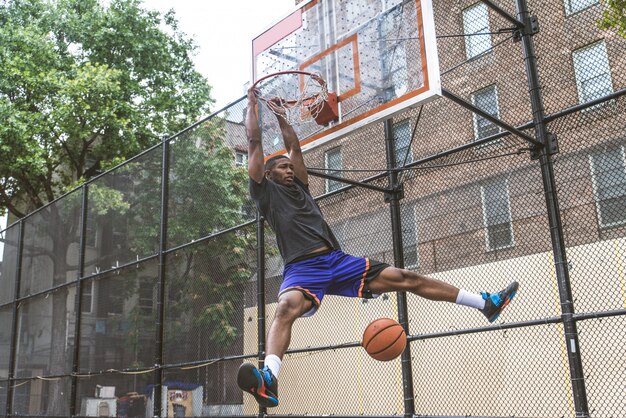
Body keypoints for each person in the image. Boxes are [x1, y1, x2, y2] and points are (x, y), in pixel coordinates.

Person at [237, 87, 519, 408]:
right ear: (268, 174)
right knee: (286, 308)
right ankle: (270, 377)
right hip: (302, 268)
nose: (289, 169)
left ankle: (485, 303)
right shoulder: (265, 193)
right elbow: (253, 143)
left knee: (407, 278)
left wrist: (279, 113)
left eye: (290, 166)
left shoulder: (300, 186)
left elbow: (294, 146)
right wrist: (252, 106)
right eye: (282, 167)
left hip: (336, 260)